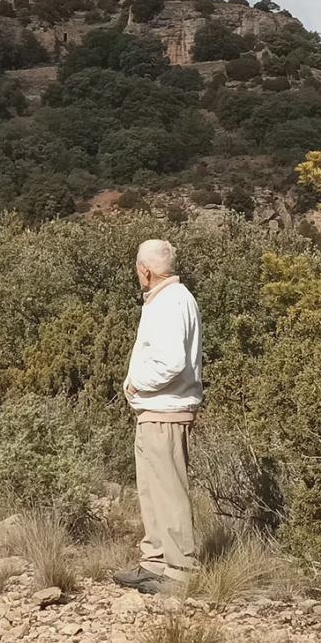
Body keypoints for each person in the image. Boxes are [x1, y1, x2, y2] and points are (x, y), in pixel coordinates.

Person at [112, 238, 203, 594]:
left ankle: (180, 571)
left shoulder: (170, 302)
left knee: (168, 490)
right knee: (152, 490)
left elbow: (171, 363)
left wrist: (135, 384)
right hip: (156, 410)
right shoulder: (168, 300)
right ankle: (155, 562)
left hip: (165, 408)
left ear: (143, 269)